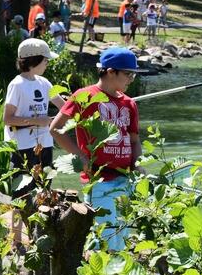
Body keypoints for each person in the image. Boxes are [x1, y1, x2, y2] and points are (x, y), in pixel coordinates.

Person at [49, 47, 146, 251]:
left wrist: (138, 164)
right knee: (105, 236)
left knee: (122, 234)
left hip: (126, 179)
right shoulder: (84, 96)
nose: (131, 79)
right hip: (99, 180)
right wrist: (80, 157)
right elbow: (56, 129)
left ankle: (115, 267)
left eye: (134, 75)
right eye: (128, 74)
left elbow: (134, 140)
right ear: (110, 72)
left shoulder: (129, 103)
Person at [3, 38, 65, 248]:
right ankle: (16, 240)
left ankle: (37, 237)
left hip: (44, 144)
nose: (47, 63)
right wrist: (38, 121)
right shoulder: (17, 84)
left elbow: (64, 107)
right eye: (45, 60)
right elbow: (8, 119)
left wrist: (84, 105)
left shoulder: (44, 83)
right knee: (21, 193)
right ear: (33, 60)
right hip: (23, 146)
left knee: (43, 190)